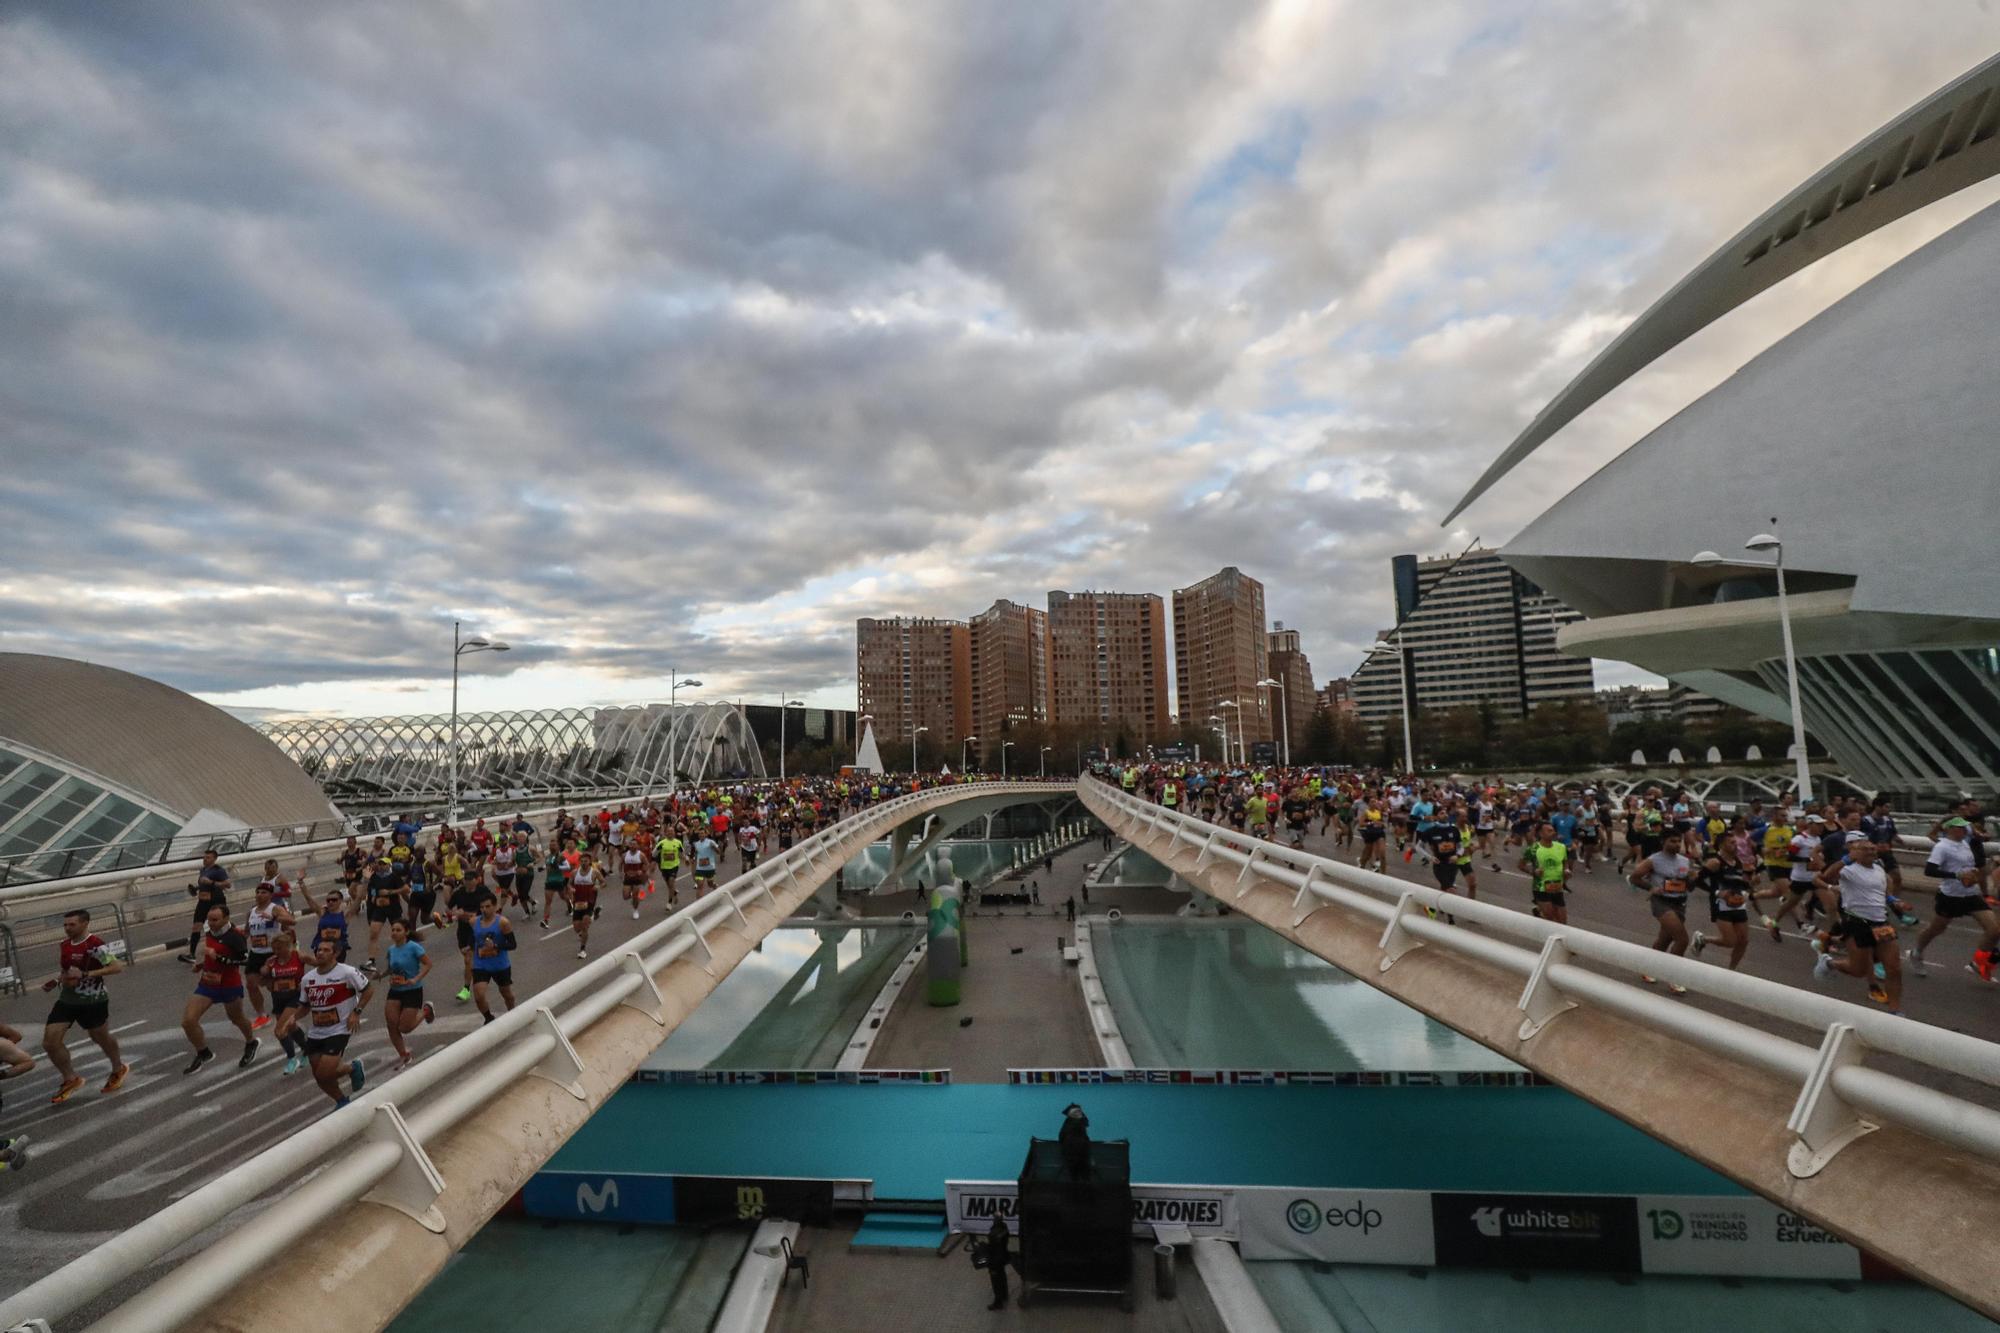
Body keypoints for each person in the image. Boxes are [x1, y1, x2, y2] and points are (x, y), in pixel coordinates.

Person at [40, 908, 130, 1101]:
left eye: (72, 924)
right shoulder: (64, 945)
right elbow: (68, 971)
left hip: (93, 1001)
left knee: (100, 1037)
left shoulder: (95, 945)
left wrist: (87, 975)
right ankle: (70, 1078)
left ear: (84, 923)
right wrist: (56, 981)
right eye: (65, 925)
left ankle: (118, 1067)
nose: (67, 928)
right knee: (50, 1042)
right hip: (67, 999)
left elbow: (116, 967)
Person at [1813, 837, 1902, 1012]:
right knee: (1858, 970)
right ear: (1854, 852)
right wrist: (1846, 860)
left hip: (1881, 923)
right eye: (1865, 849)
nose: (1871, 851)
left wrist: (1893, 900)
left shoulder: (1879, 869)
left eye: (1872, 848)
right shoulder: (1848, 869)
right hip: (1856, 922)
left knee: (1895, 969)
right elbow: (1826, 876)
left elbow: (1885, 887)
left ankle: (1895, 1011)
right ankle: (1829, 963)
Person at [1909, 817, 1999, 979]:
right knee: (1936, 929)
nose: (1965, 830)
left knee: (1994, 930)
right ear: (1949, 829)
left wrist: (1978, 873)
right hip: (1950, 896)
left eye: (1965, 828)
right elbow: (1929, 871)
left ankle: (1977, 963)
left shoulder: (1964, 843)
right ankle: (1917, 952)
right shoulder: (1942, 847)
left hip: (1971, 893)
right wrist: (1956, 875)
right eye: (1960, 828)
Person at [181, 904, 258, 1074]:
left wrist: (220, 958)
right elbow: (208, 952)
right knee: (188, 1021)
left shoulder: (235, 936)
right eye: (209, 920)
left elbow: (244, 961)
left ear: (226, 918)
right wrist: (200, 964)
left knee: (236, 1018)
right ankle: (203, 1052)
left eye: (215, 920)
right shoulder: (209, 932)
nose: (211, 923)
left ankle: (251, 1042)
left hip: (229, 985)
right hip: (208, 984)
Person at [298, 937, 371, 1109]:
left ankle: (352, 1068)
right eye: (318, 950)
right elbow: (304, 1006)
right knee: (319, 1076)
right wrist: (291, 1019)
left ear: (336, 953)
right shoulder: (307, 979)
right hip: (316, 1032)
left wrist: (356, 1012)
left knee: (325, 1073)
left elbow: (368, 990)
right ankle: (341, 1101)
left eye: (325, 950)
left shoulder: (347, 973)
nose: (320, 953)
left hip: (339, 1030)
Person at [1629, 831, 1692, 994]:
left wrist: (1692, 880)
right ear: (1663, 841)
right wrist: (1651, 888)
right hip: (1662, 903)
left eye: (1679, 841)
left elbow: (1689, 884)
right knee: (1682, 939)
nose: (1677, 844)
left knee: (1665, 939)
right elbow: (1634, 877)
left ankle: (1648, 968)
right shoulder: (1654, 860)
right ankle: (1673, 977)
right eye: (1673, 841)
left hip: (1680, 902)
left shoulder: (1685, 861)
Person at [381, 919, 436, 1069]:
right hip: (395, 990)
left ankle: (426, 1011)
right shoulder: (391, 950)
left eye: (398, 930)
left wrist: (415, 979)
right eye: (393, 930)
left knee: (405, 1027)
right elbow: (391, 969)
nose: (394, 933)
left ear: (406, 932)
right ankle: (404, 1055)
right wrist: (381, 975)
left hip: (412, 990)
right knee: (391, 1024)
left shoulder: (414, 948)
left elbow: (428, 964)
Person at [242, 880, 294, 1030]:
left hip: (273, 953)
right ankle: (262, 1015)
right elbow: (247, 932)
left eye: (263, 892)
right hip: (256, 953)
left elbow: (291, 920)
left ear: (270, 895)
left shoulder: (275, 909)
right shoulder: (251, 912)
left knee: (273, 986)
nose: (259, 895)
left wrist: (274, 918)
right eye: (257, 892)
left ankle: (284, 1011)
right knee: (251, 984)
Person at [469, 894, 519, 1023]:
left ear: (495, 906)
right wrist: (468, 947)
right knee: (479, 995)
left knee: (506, 994)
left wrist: (496, 945)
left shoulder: (503, 922)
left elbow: (512, 944)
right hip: (480, 964)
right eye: (482, 907)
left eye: (488, 906)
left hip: (500, 964)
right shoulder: (474, 922)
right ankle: (488, 1018)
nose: (484, 910)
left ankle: (513, 1013)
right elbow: (472, 938)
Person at [267, 930, 311, 1075]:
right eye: (274, 949)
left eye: (279, 948)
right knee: (291, 1027)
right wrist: (266, 972)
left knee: (280, 1030)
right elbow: (263, 975)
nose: (276, 951)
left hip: (295, 997)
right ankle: (307, 1050)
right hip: (278, 998)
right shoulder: (272, 961)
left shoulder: (299, 956)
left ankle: (292, 1059)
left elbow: (319, 964)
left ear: (288, 946)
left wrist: (307, 982)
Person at [180, 849, 231, 962]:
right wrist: (195, 890)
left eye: (208, 857)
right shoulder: (203, 870)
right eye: (204, 857)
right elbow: (204, 885)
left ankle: (226, 949)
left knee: (220, 926)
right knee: (196, 926)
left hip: (216, 901)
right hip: (203, 901)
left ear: (214, 859)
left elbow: (228, 884)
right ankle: (192, 955)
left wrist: (211, 882)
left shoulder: (219, 870)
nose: (205, 859)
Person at [1521, 823, 1570, 924]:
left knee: (1563, 921)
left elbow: (1565, 862)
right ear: (1541, 834)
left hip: (1557, 888)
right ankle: (1541, 913)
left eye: (1553, 830)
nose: (1553, 833)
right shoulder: (1533, 849)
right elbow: (1521, 865)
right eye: (1549, 831)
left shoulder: (1561, 847)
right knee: (1551, 918)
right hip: (1541, 888)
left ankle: (1539, 911)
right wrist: (1533, 872)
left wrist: (1566, 870)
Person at [571, 853, 602, 958]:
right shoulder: (575, 873)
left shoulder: (594, 872)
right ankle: (595, 915)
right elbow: (569, 884)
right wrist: (571, 889)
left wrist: (597, 886)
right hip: (578, 902)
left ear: (590, 862)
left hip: (589, 901)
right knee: (577, 929)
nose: (584, 863)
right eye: (582, 861)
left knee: (584, 927)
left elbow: (603, 882)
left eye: (586, 861)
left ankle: (582, 950)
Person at [982, 1213, 1014, 1310]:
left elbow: (993, 1249)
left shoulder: (993, 1234)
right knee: (1002, 1277)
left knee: (996, 1282)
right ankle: (1004, 1295)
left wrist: (992, 1265)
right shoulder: (1004, 1227)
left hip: (995, 1261)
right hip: (1003, 1257)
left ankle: (998, 1302)